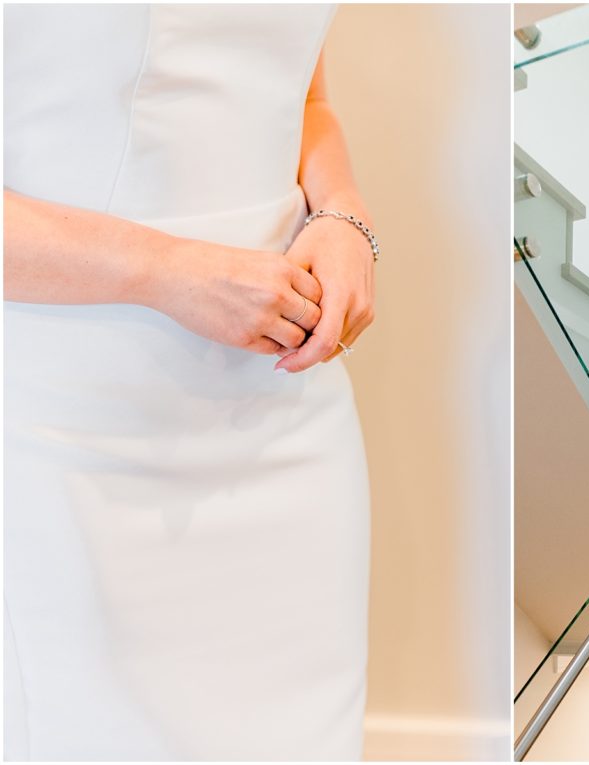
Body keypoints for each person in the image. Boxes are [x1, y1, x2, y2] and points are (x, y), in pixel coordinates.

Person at [4, 5, 374, 760]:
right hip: (68, 436)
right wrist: (163, 269)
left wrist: (342, 215)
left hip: (289, 421)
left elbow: (305, 99)